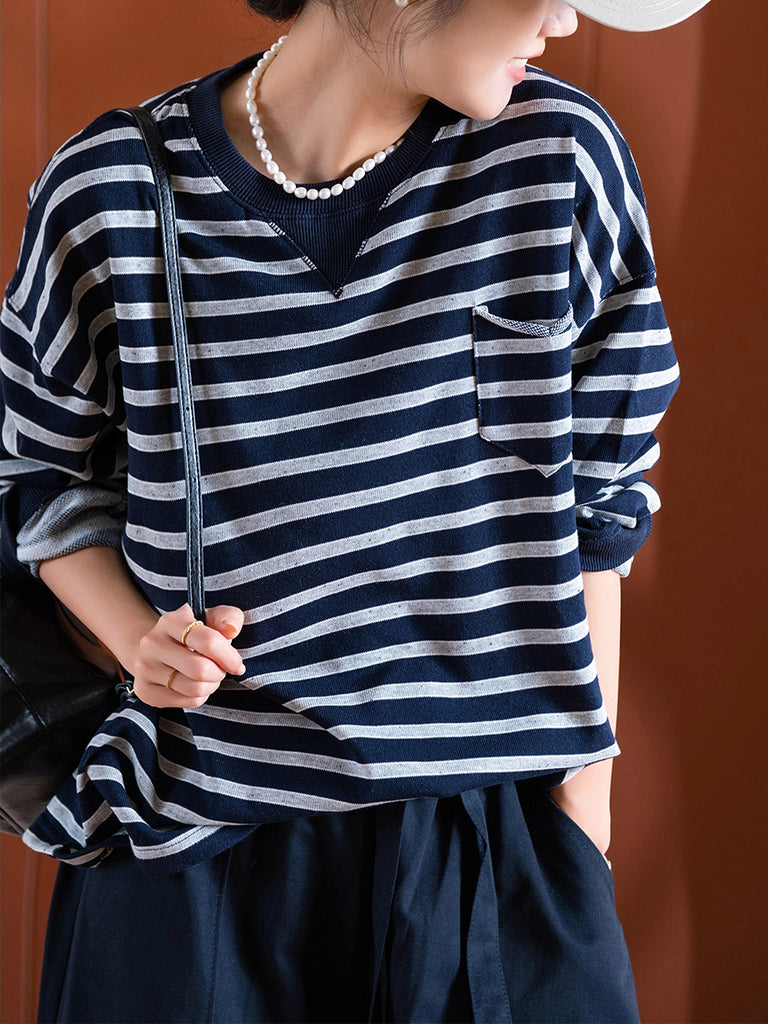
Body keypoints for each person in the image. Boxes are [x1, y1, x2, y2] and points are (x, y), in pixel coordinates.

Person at [0, 0, 710, 1020]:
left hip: (491, 846)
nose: (563, 17)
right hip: (194, 855)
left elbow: (600, 510)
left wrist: (578, 816)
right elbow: (39, 475)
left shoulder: (560, 163)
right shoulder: (110, 189)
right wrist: (139, 643)